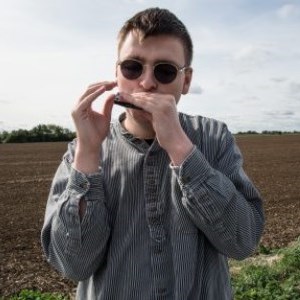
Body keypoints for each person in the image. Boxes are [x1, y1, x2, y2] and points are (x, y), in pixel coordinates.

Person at [41, 7, 264, 300]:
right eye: (132, 67)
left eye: (165, 70)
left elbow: (242, 242)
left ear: (185, 81)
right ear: (116, 73)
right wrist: (88, 154)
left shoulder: (213, 138)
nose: (146, 82)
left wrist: (181, 148)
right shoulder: (81, 150)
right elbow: (73, 265)